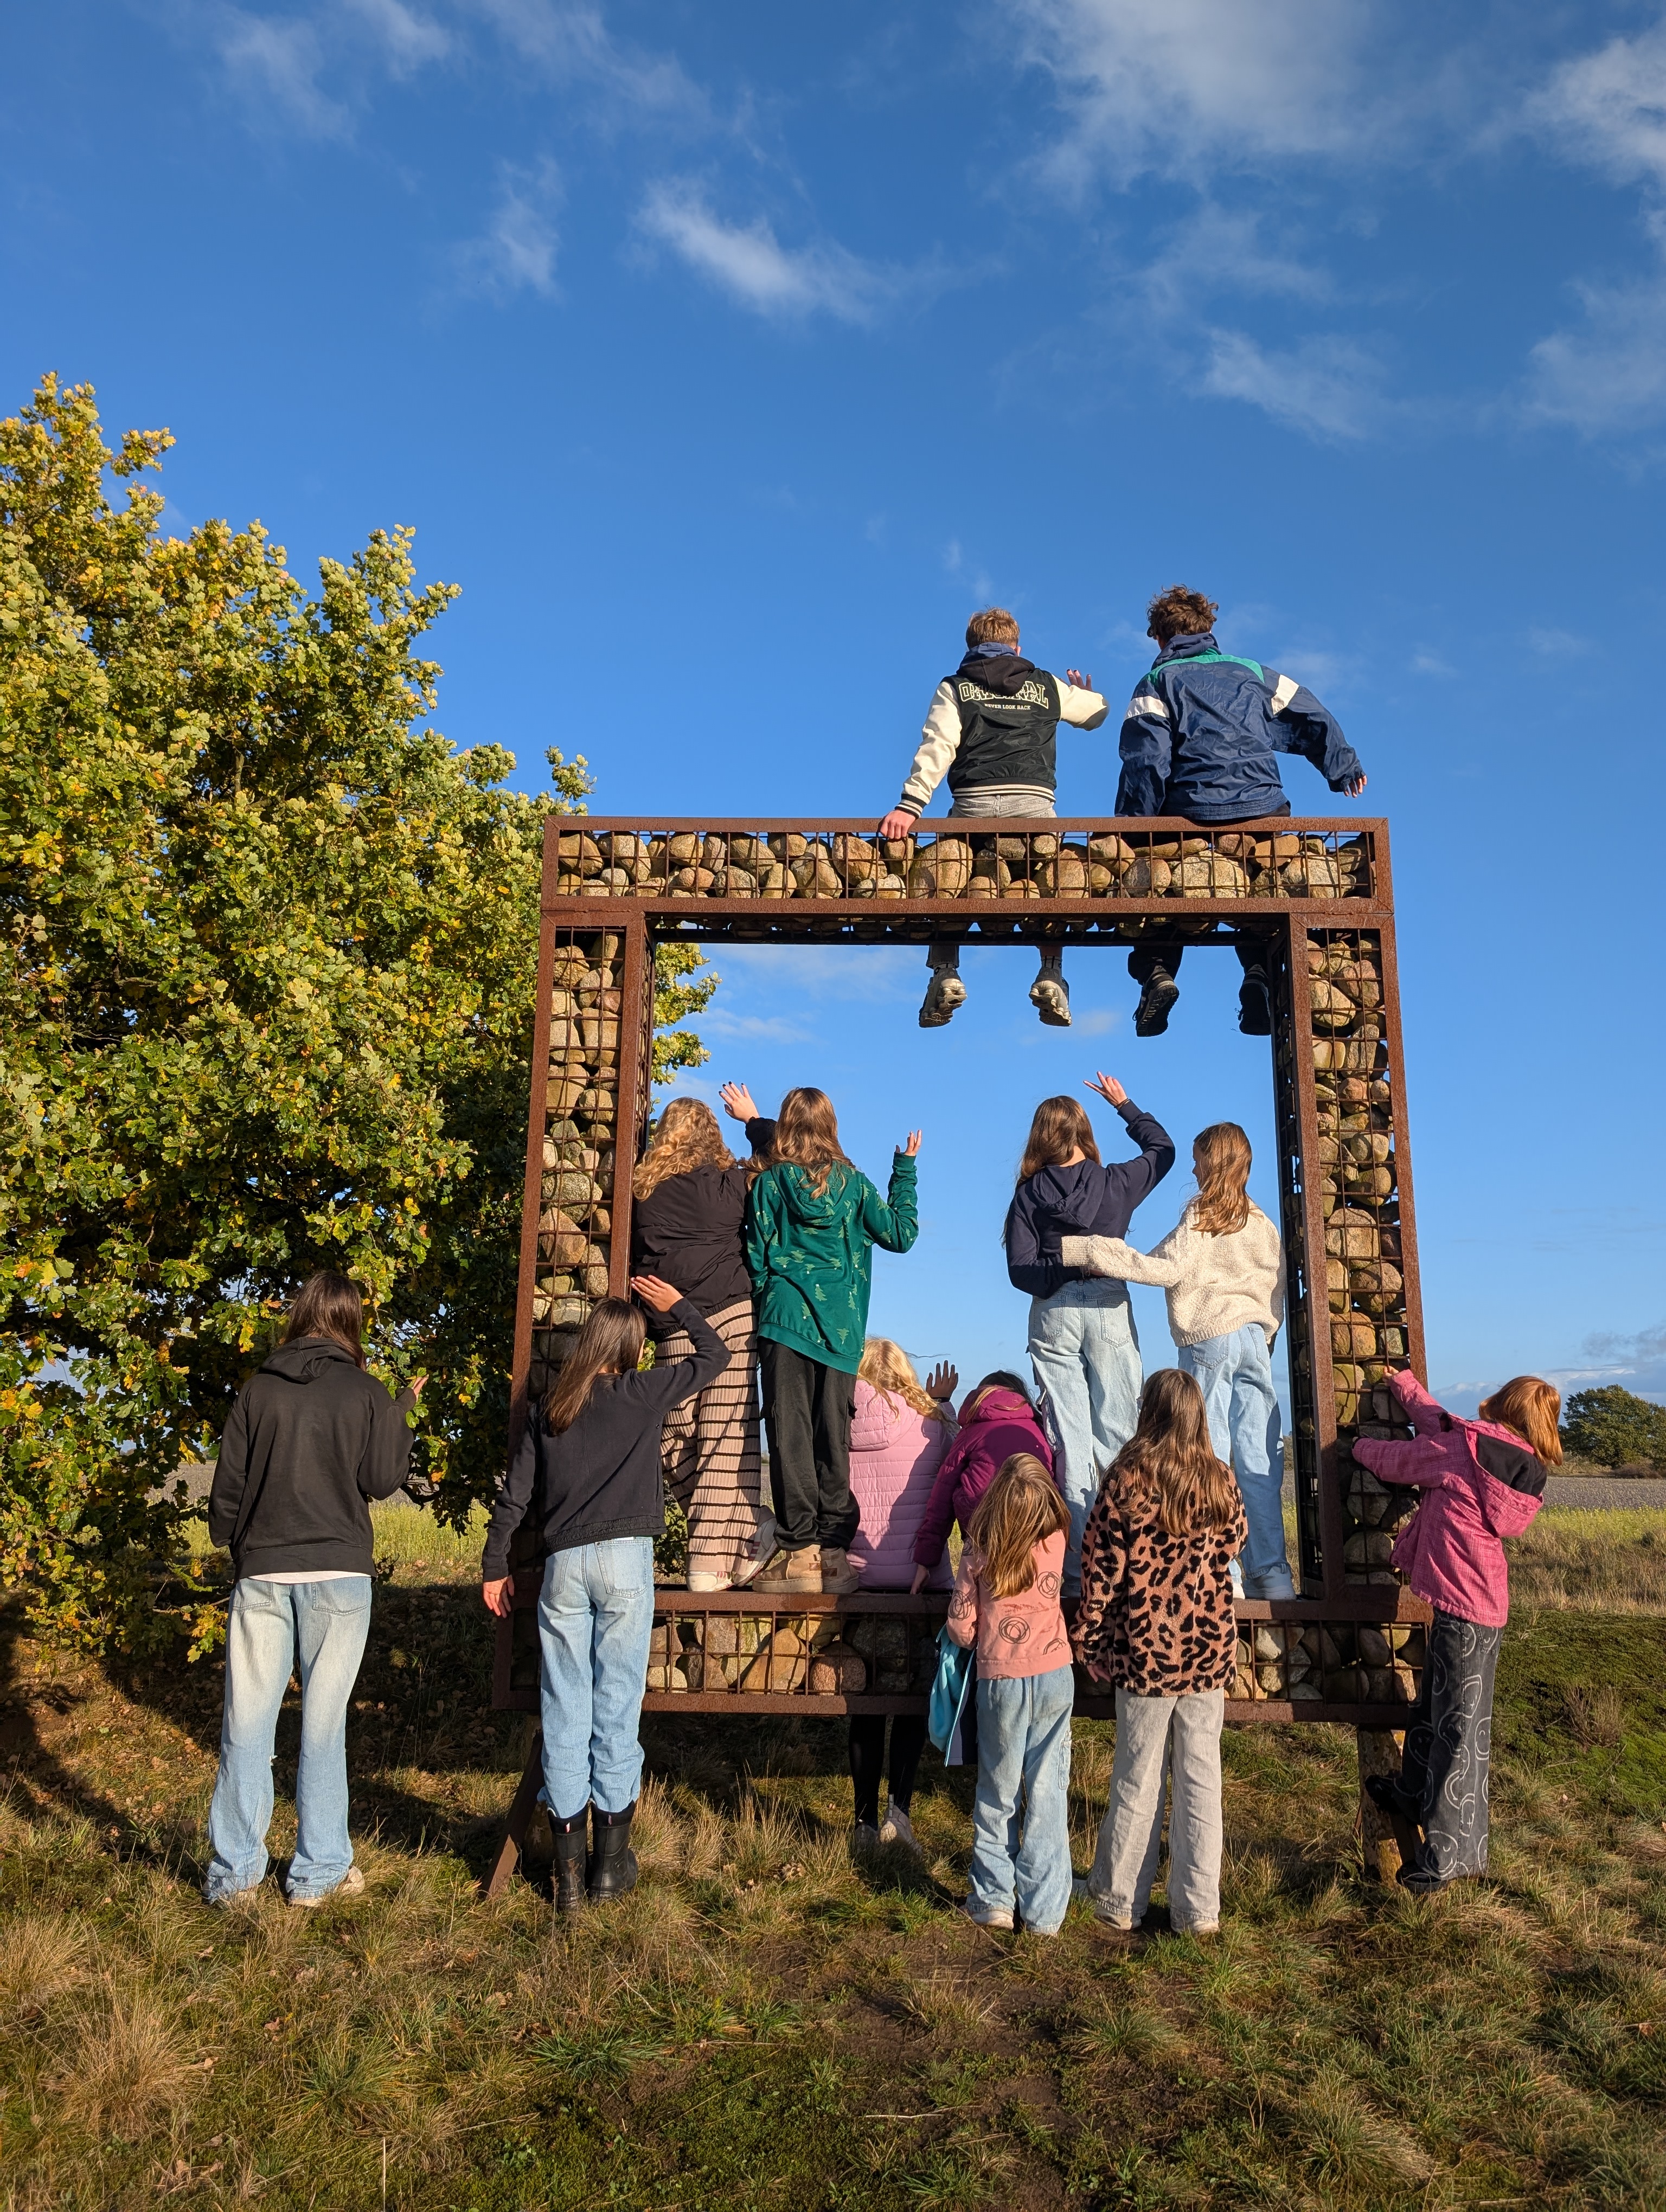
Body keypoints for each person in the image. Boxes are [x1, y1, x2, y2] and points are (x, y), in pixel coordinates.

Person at [481, 1278, 727, 1914]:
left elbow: (515, 1496)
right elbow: (715, 1357)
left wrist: (493, 1565)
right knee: (617, 1707)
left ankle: (566, 1884)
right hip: (624, 1563)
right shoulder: (639, 1394)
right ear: (630, 1348)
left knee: (565, 1710)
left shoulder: (550, 1410)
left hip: (564, 1565)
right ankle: (610, 1867)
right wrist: (679, 1307)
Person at [204, 1271, 424, 1907]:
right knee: (323, 1728)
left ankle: (235, 1875)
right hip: (338, 1574)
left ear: (299, 1316)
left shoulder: (258, 1391)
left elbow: (229, 1493)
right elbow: (382, 1480)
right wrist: (401, 1411)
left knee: (246, 1724)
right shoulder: (364, 1390)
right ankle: (317, 1873)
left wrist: (238, 1544)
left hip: (264, 1572)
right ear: (352, 1321)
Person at [1116, 584, 1368, 1038]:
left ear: (1159, 638)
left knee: (1161, 889)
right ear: (1209, 629)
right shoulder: (1253, 672)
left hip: (1189, 812)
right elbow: (1312, 713)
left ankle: (1157, 973)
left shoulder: (1156, 682)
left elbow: (1146, 762)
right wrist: (1342, 767)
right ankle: (1258, 973)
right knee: (1262, 888)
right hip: (1262, 808)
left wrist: (1138, 828)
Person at [1061, 1120, 1291, 1597]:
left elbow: (1165, 1269)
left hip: (1211, 1339)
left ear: (1212, 1161)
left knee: (1204, 1462)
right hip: (1255, 1340)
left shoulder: (1200, 1215)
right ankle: (1273, 1575)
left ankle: (1221, 1574)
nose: (1191, 1166)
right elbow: (1276, 1286)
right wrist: (1267, 1334)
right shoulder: (1263, 1223)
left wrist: (1086, 1249)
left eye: (1197, 1158)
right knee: (1258, 1460)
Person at [1350, 1370, 1555, 1893]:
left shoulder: (1464, 1451)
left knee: (1461, 1733)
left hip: (1466, 1610)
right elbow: (1439, 1423)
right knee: (1436, 1709)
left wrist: (1356, 1449)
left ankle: (1446, 1856)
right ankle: (1412, 1793)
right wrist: (1405, 1385)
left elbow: (1405, 1462)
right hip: (1476, 1606)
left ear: (1504, 1404)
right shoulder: (1512, 1463)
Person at [876, 606, 1110, 1031]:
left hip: (973, 805)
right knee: (1050, 881)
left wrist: (909, 806)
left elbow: (938, 747)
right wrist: (1086, 693)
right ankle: (1051, 972)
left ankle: (945, 970)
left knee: (952, 870)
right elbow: (1096, 715)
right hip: (1035, 807)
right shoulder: (1046, 684)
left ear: (970, 647)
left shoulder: (955, 687)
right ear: (1017, 647)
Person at [1073, 1369, 1247, 1937]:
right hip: (1207, 1655)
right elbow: (1235, 1542)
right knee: (1203, 1782)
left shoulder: (1126, 1480)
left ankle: (1120, 1898)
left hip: (1144, 1656)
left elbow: (1101, 1574)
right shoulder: (1221, 1481)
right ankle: (1199, 1909)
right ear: (1197, 1415)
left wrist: (1090, 1641)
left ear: (1148, 1410)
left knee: (1135, 1778)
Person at [738, 1085, 921, 1597]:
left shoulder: (770, 1184)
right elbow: (902, 1235)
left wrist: (772, 1295)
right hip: (841, 1329)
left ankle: (797, 1554)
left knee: (789, 1433)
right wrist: (904, 1170)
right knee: (831, 1435)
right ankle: (834, 1556)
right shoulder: (856, 1186)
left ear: (788, 1125)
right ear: (831, 1127)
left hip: (784, 1320)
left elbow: (756, 1254)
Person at [1003, 1075, 1175, 1591]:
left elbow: (1020, 1270)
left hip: (1054, 1311)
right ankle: (1130, 1563)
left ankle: (1078, 1573)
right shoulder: (1117, 1182)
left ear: (1039, 1138)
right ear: (1084, 1131)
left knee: (1070, 1441)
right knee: (1122, 1433)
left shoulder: (1029, 1195)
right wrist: (1126, 1104)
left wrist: (1061, 1264)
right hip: (1109, 1307)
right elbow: (1163, 1150)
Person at [629, 1094, 776, 1591]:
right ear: (712, 1136)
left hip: (696, 1321)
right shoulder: (729, 1184)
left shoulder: (642, 1190)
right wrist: (752, 1120)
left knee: (705, 1435)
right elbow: (785, 1155)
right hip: (709, 1321)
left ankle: (707, 1564)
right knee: (691, 1438)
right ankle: (747, 1532)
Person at [946, 1453, 1075, 1933]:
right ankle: (1044, 1911)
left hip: (1001, 1680)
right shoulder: (1057, 1540)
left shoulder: (979, 1547)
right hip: (1056, 1674)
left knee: (998, 1792)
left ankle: (994, 1898)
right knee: (1048, 1790)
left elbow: (962, 1627)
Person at [845, 1338, 959, 1854]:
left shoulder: (841, 1425)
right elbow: (958, 1464)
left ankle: (863, 1822)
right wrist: (943, 1404)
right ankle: (900, 1814)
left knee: (865, 1704)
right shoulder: (931, 1426)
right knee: (913, 1701)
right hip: (921, 1584)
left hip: (860, 1582)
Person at [908, 1372, 1055, 1594]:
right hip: (1033, 1531)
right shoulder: (1040, 1431)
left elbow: (941, 1500)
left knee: (976, 1606)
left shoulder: (971, 1432)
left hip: (981, 1535)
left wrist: (925, 1562)